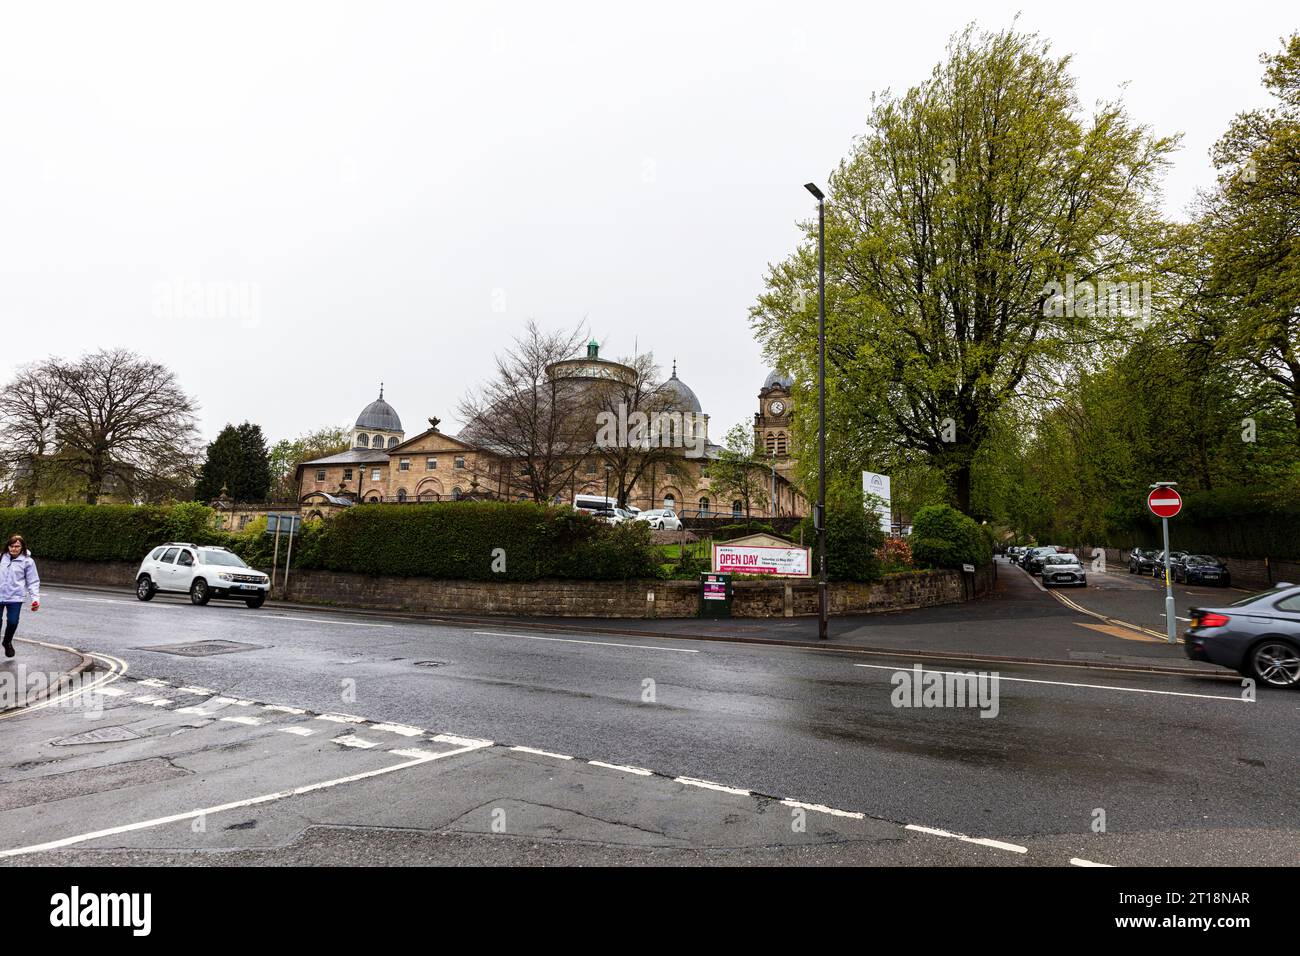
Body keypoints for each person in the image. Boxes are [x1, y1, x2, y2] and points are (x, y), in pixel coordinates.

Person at [1, 534, 40, 658]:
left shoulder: (27, 561)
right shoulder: (1, 558)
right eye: (11, 546)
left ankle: (7, 642)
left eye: (17, 546)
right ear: (8, 547)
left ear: (22, 547)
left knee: (12, 622)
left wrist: (35, 599)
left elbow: (33, 581)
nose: (14, 548)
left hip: (15, 598)